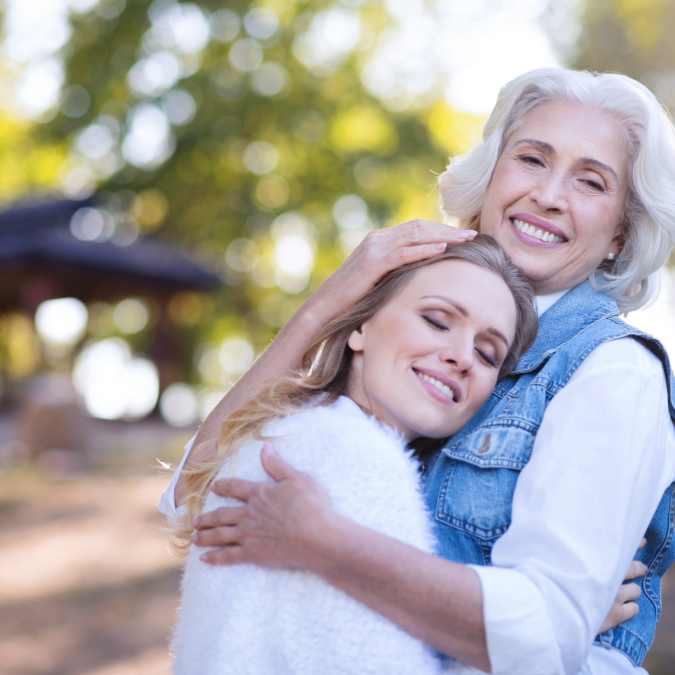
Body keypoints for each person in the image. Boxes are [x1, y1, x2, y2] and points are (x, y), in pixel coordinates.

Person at [171, 68, 675, 674]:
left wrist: (328, 548)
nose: (550, 195)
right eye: (532, 160)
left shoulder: (613, 372)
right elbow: (198, 497)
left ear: (621, 231)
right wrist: (330, 303)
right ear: (491, 173)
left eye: (591, 181)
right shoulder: (408, 329)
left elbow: (544, 634)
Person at [167, 237, 538, 674]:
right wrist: (539, 639)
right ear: (360, 327)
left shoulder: (273, 432)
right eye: (437, 321)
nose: (461, 357)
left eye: (486, 353)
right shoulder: (357, 459)